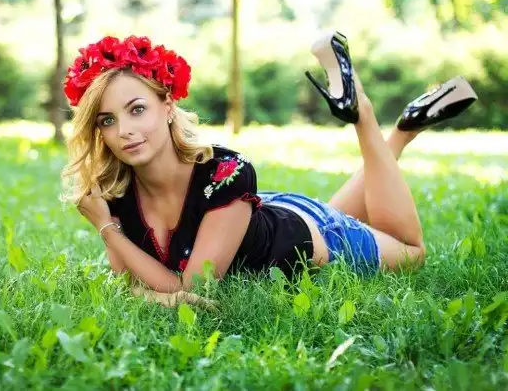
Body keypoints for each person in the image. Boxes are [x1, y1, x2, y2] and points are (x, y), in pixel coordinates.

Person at [61, 33, 477, 306]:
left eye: (137, 110)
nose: (124, 131)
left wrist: (107, 230)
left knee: (412, 253)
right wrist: (153, 289)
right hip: (256, 217)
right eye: (108, 120)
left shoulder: (227, 171)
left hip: (316, 236)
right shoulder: (115, 191)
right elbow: (129, 283)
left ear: (168, 106)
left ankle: (369, 116)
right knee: (342, 213)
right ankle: (406, 130)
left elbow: (193, 291)